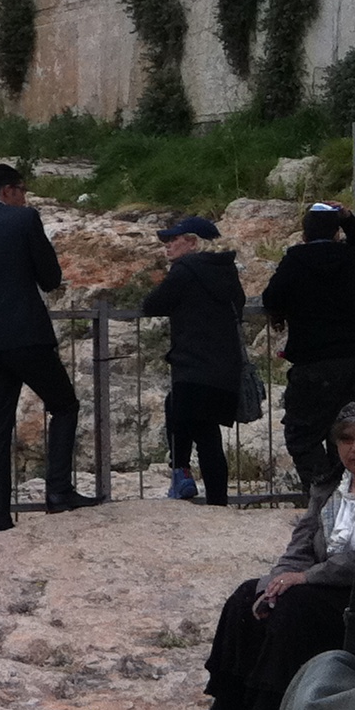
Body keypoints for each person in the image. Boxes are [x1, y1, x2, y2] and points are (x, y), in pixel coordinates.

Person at [172, 400, 355, 710]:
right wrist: (278, 580)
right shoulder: (330, 487)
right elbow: (301, 542)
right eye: (347, 439)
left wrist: (306, 577)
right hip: (317, 584)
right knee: (247, 596)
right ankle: (226, 706)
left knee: (295, 607)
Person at [0, 163, 86, 528]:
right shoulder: (24, 220)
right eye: (22, 190)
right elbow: (50, 278)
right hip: (27, 336)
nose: (25, 198)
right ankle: (58, 492)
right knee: (64, 405)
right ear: (7, 191)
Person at [261, 202, 355, 493]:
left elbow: (271, 297)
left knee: (302, 434)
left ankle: (322, 492)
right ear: (336, 233)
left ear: (304, 235)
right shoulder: (349, 258)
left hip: (313, 361)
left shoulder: (295, 261)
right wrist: (348, 219)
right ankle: (347, 493)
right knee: (347, 432)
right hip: (354, 357)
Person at [142, 215, 246, 505]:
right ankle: (201, 488)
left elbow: (152, 304)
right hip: (225, 367)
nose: (167, 245)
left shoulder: (185, 269)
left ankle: (189, 481)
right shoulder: (227, 269)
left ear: (192, 243)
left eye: (173, 240)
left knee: (199, 430)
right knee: (199, 425)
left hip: (192, 365)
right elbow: (238, 303)